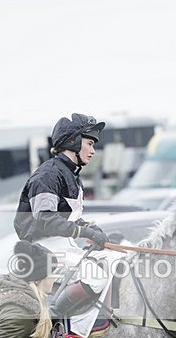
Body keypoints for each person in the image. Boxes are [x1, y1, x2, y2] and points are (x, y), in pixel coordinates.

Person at [13, 112, 110, 315]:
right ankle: (53, 318)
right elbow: (46, 220)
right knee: (97, 278)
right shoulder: (48, 175)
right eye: (90, 144)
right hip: (44, 248)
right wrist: (86, 233)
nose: (93, 151)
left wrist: (90, 228)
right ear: (73, 141)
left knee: (110, 263)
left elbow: (70, 219)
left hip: (62, 244)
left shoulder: (72, 175)